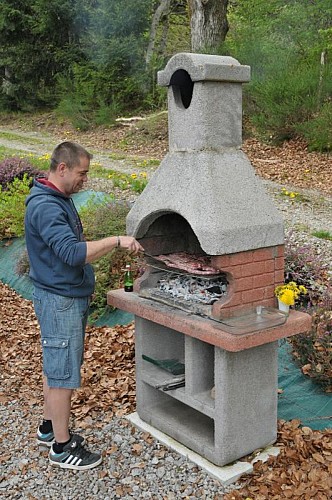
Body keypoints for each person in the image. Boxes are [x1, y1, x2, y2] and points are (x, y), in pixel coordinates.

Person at [24, 141, 143, 470]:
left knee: (56, 365)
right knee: (62, 374)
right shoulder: (47, 206)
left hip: (61, 296)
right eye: (82, 173)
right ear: (62, 168)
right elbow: (74, 253)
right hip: (59, 300)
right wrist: (116, 241)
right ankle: (62, 448)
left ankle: (49, 428)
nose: (85, 180)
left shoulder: (56, 198)